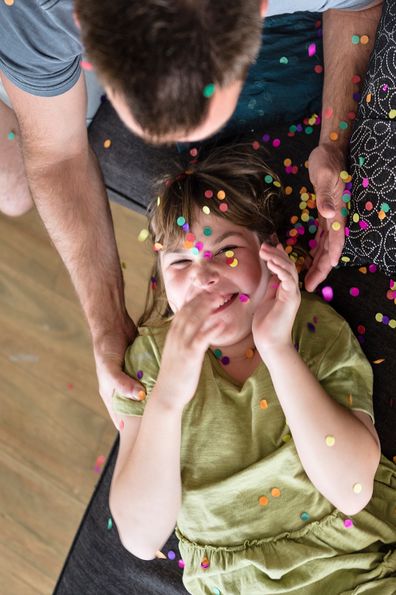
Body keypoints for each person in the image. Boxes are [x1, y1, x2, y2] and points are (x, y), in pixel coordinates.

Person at [0, 1, 384, 426]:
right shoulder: (35, 8)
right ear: (85, 35)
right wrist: (106, 325)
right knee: (11, 183)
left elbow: (360, 6)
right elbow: (57, 156)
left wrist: (334, 140)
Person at [109, 145, 396, 594]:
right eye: (180, 261)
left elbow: (353, 490)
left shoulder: (313, 331)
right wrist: (167, 399)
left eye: (225, 250)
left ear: (271, 256)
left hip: (349, 571)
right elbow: (141, 539)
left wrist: (277, 350)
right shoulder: (148, 362)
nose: (203, 275)